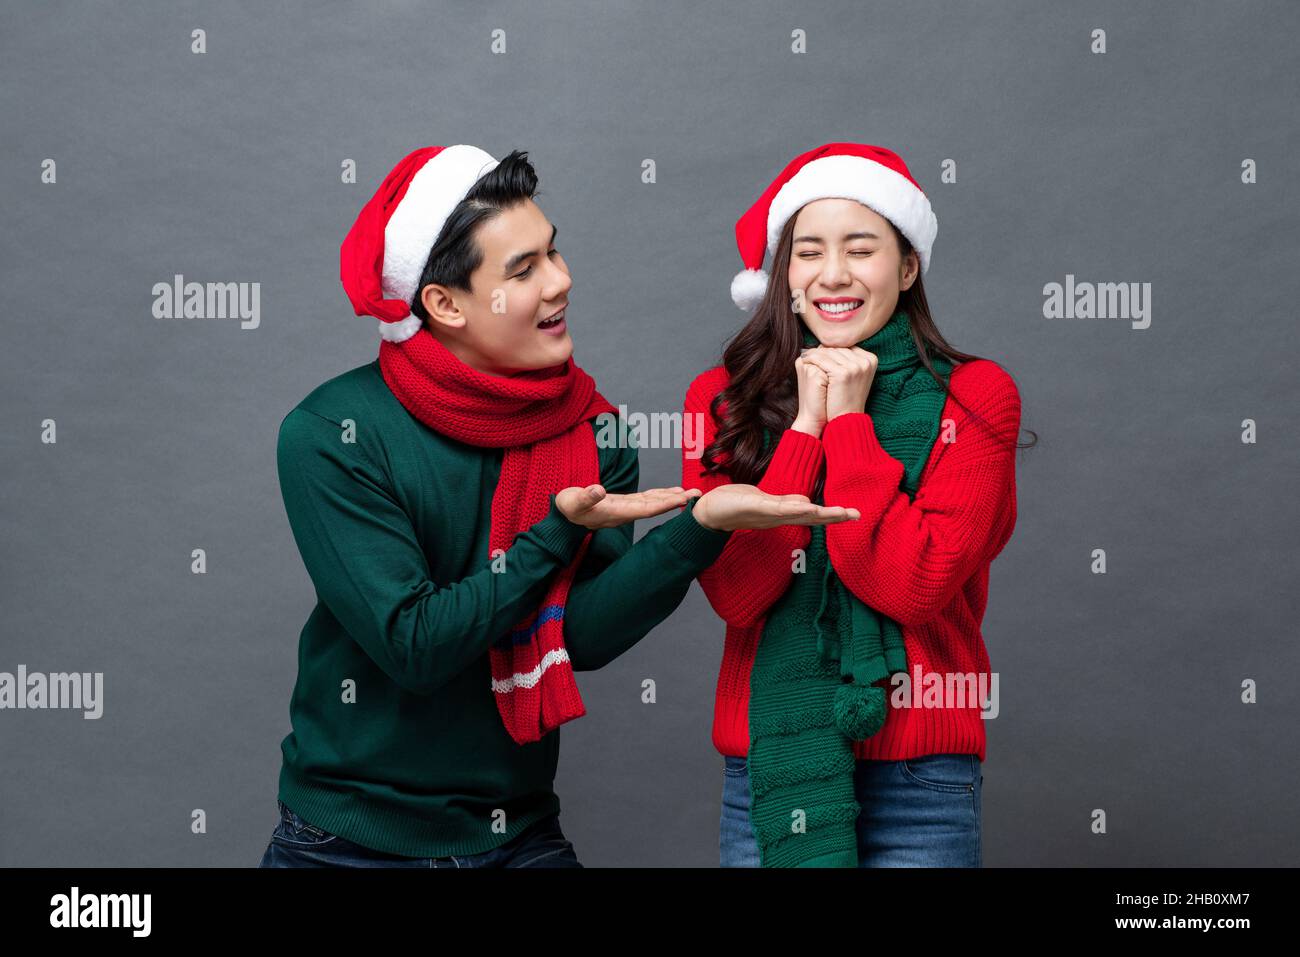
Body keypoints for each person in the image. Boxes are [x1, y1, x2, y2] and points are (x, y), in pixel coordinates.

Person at [258, 144, 855, 868]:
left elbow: (582, 638)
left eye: (554, 252)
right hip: (348, 843)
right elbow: (415, 644)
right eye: (524, 269)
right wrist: (555, 533)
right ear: (444, 304)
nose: (561, 281)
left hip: (516, 832)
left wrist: (697, 530)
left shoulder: (593, 431)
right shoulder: (334, 433)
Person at [682, 142, 1034, 867]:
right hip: (769, 769)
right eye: (808, 252)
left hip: (920, 779)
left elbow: (913, 585)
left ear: (907, 268)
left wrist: (848, 426)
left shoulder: (976, 396)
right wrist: (805, 427)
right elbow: (740, 593)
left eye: (861, 248)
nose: (833, 274)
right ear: (784, 276)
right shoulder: (721, 399)